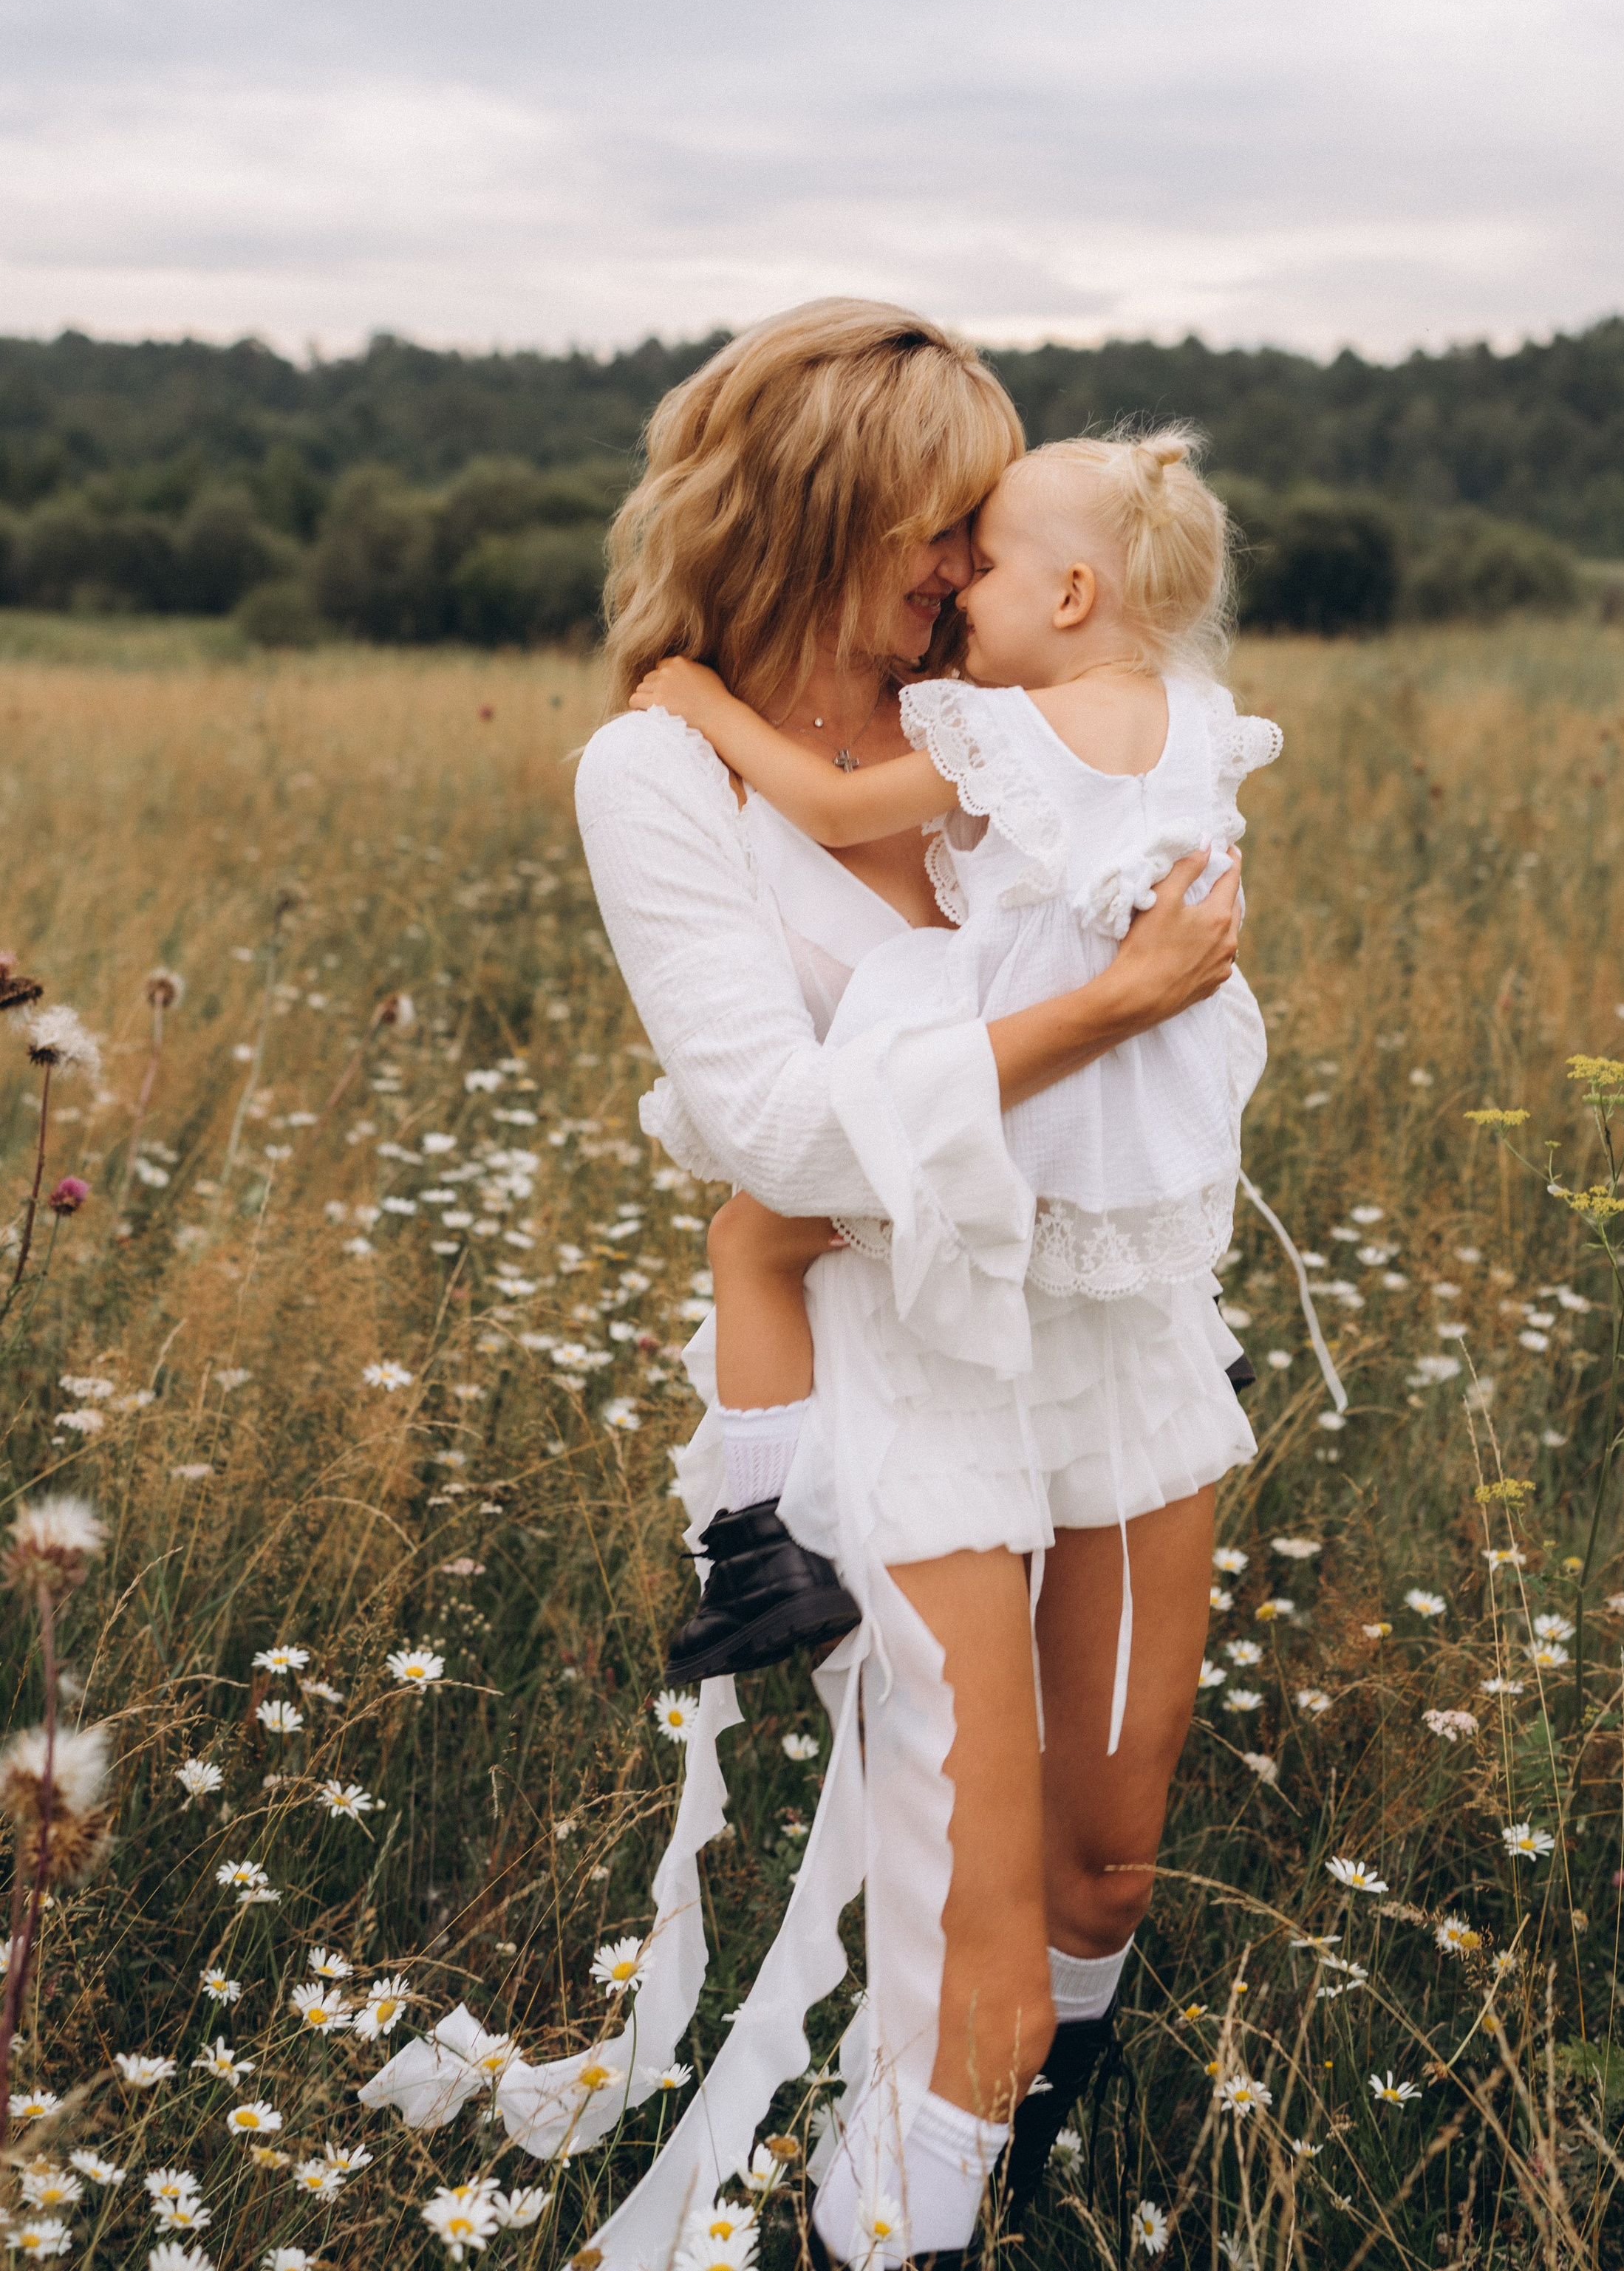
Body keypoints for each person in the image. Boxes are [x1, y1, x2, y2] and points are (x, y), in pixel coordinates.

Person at [360, 301, 1264, 2270]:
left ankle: (1032, 2167)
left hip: (1109, 1328)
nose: (963, 571)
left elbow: (1155, 873)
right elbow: (772, 1130)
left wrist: (1153, 966)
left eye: (982, 531)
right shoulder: (664, 772)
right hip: (909, 1347)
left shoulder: (1005, 703)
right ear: (821, 511)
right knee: (978, 1923)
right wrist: (1114, 1006)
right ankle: (913, 2226)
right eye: (936, 527)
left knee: (1109, 1866)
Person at [635, 427, 1281, 1735]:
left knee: (756, 1234)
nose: (957, 591)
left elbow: (828, 808)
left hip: (1038, 1060)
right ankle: (1174, 1349)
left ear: (1068, 598)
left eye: (980, 565)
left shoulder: (1024, 731)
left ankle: (760, 1539)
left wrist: (698, 702)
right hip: (1157, 1089)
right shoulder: (1198, 718)